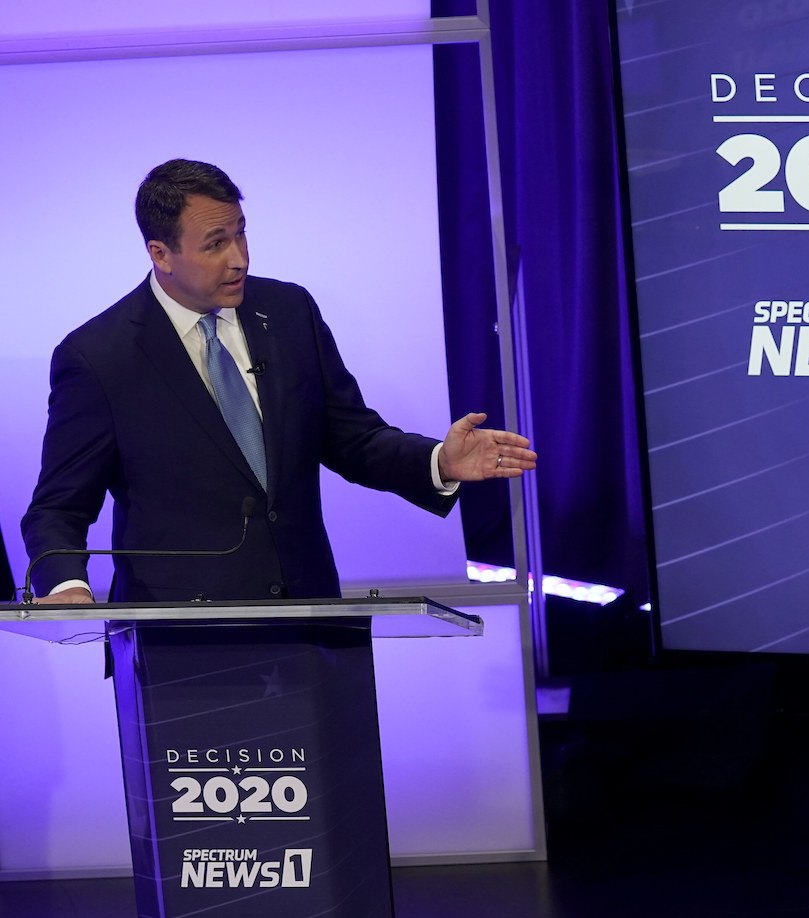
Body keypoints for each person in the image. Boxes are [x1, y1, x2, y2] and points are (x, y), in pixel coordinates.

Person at [21, 158, 537, 604]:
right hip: (182, 648)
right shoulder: (98, 357)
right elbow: (57, 506)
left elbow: (351, 439)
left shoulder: (289, 311)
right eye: (215, 243)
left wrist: (438, 462)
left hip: (311, 623)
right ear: (161, 254)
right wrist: (67, 584)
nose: (239, 258)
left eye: (241, 232)